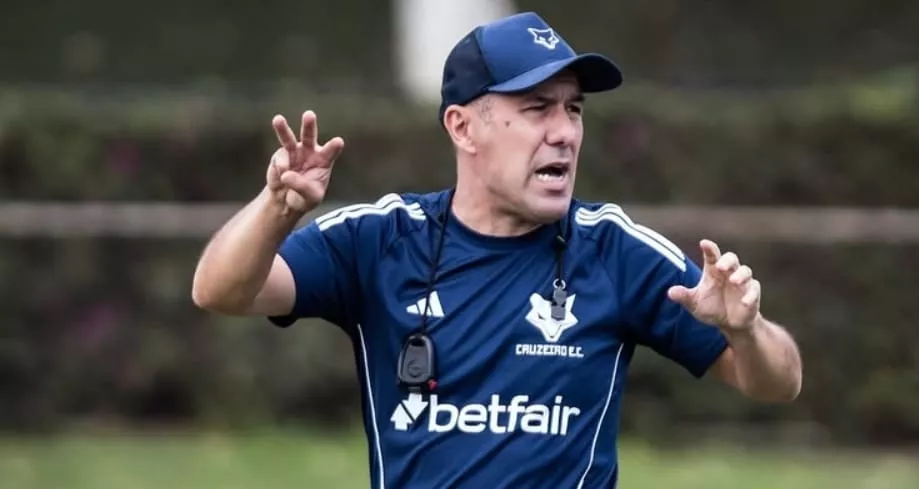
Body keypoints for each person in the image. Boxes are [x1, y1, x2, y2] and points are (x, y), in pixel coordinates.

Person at [192, 11, 802, 489]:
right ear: (463, 127)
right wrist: (278, 209)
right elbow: (219, 291)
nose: (563, 131)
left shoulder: (614, 251)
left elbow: (779, 382)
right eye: (536, 108)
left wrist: (746, 331)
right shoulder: (381, 239)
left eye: (573, 109)